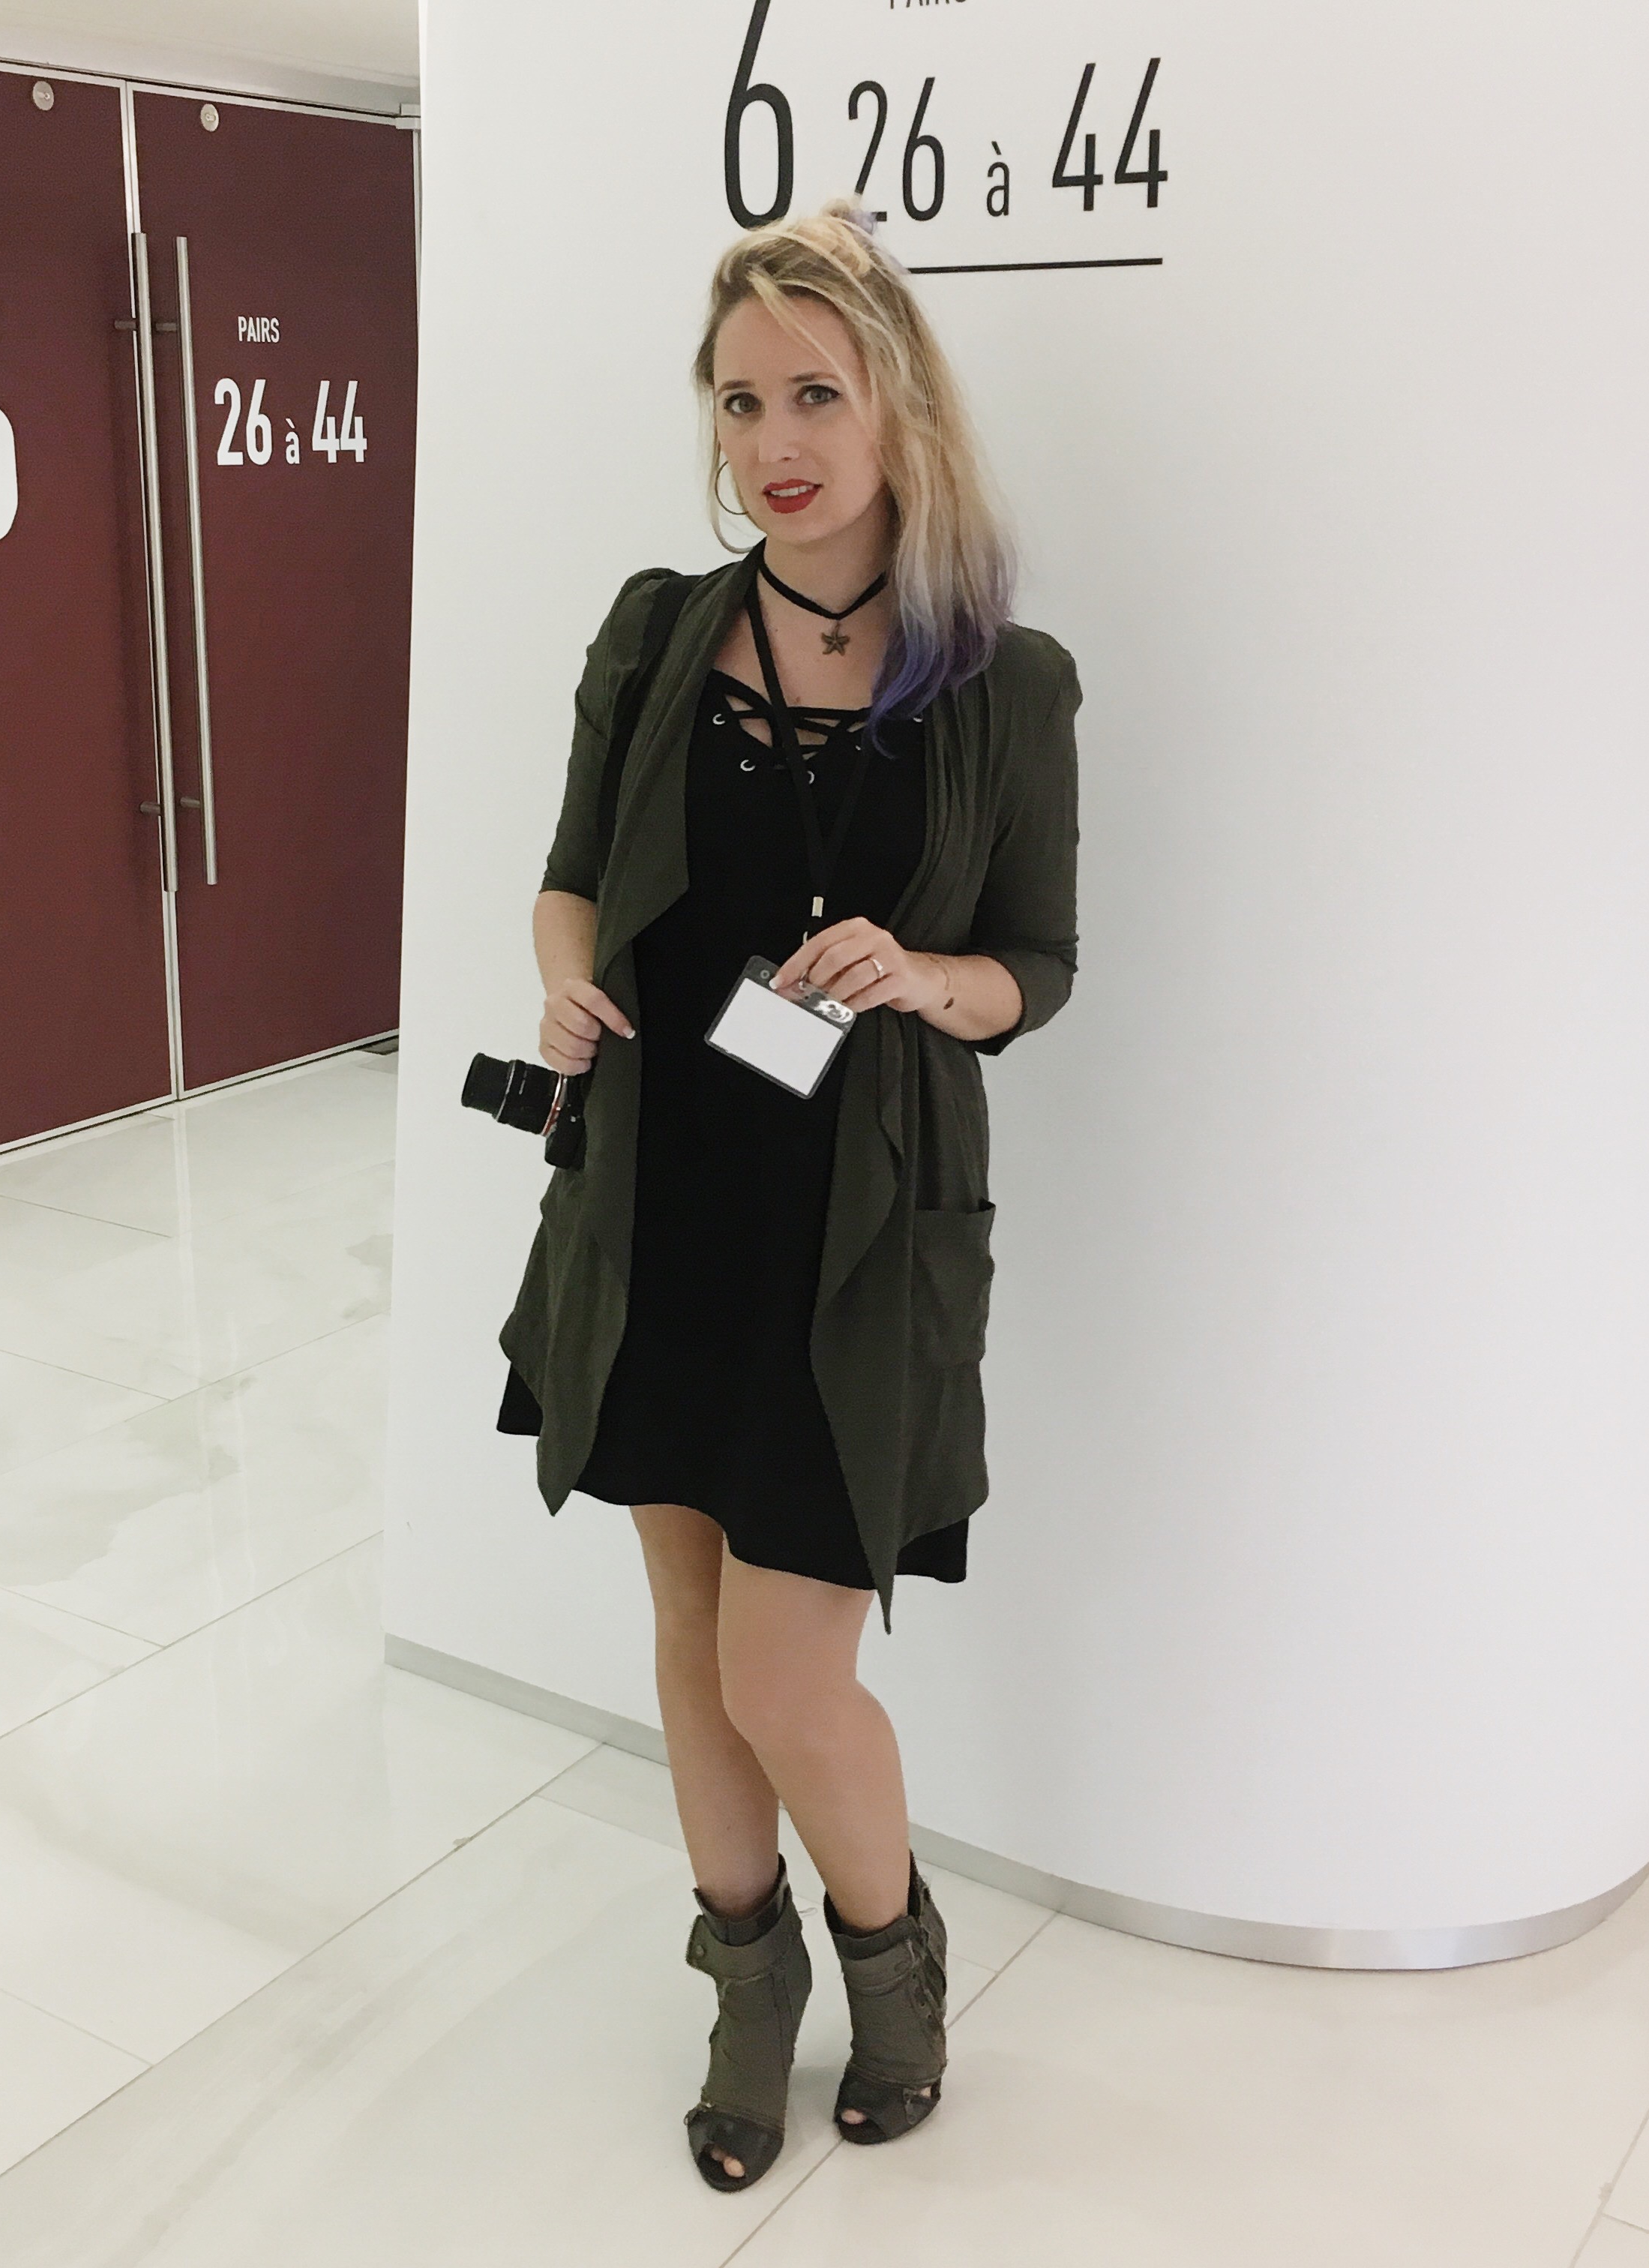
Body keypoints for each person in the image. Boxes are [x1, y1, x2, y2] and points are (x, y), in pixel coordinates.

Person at [495, 200, 1081, 2191]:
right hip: (660, 1198)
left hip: (861, 1240)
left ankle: (894, 1960)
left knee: (783, 1667)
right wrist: (563, 978)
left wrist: (918, 975)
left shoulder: (1006, 683)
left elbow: (1036, 970)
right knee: (688, 1626)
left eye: (814, 394)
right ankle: (748, 1988)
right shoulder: (660, 633)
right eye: (740, 402)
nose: (774, 441)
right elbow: (572, 880)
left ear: (899, 407)